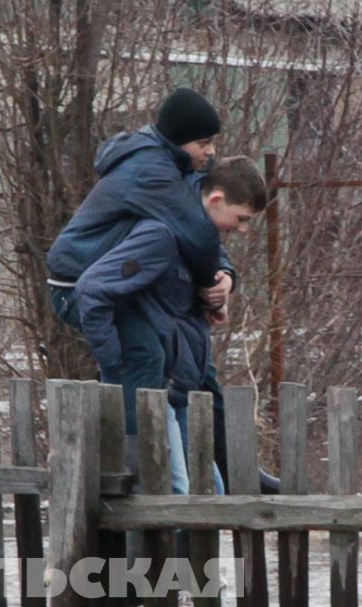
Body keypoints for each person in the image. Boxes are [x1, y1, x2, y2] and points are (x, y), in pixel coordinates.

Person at [70, 157, 269, 496]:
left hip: (183, 380)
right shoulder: (162, 233)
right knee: (176, 489)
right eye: (241, 219)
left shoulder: (198, 235)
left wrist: (225, 283)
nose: (243, 229)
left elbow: (209, 264)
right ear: (217, 200)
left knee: (210, 491)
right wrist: (113, 365)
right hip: (162, 383)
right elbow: (92, 289)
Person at [48, 88, 236, 443]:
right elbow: (194, 230)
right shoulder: (150, 169)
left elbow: (201, 221)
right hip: (79, 285)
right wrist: (210, 289)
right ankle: (135, 459)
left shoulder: (176, 167)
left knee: (198, 364)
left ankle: (230, 470)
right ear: (180, 140)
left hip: (127, 282)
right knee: (145, 355)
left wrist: (224, 276)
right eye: (203, 142)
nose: (211, 151)